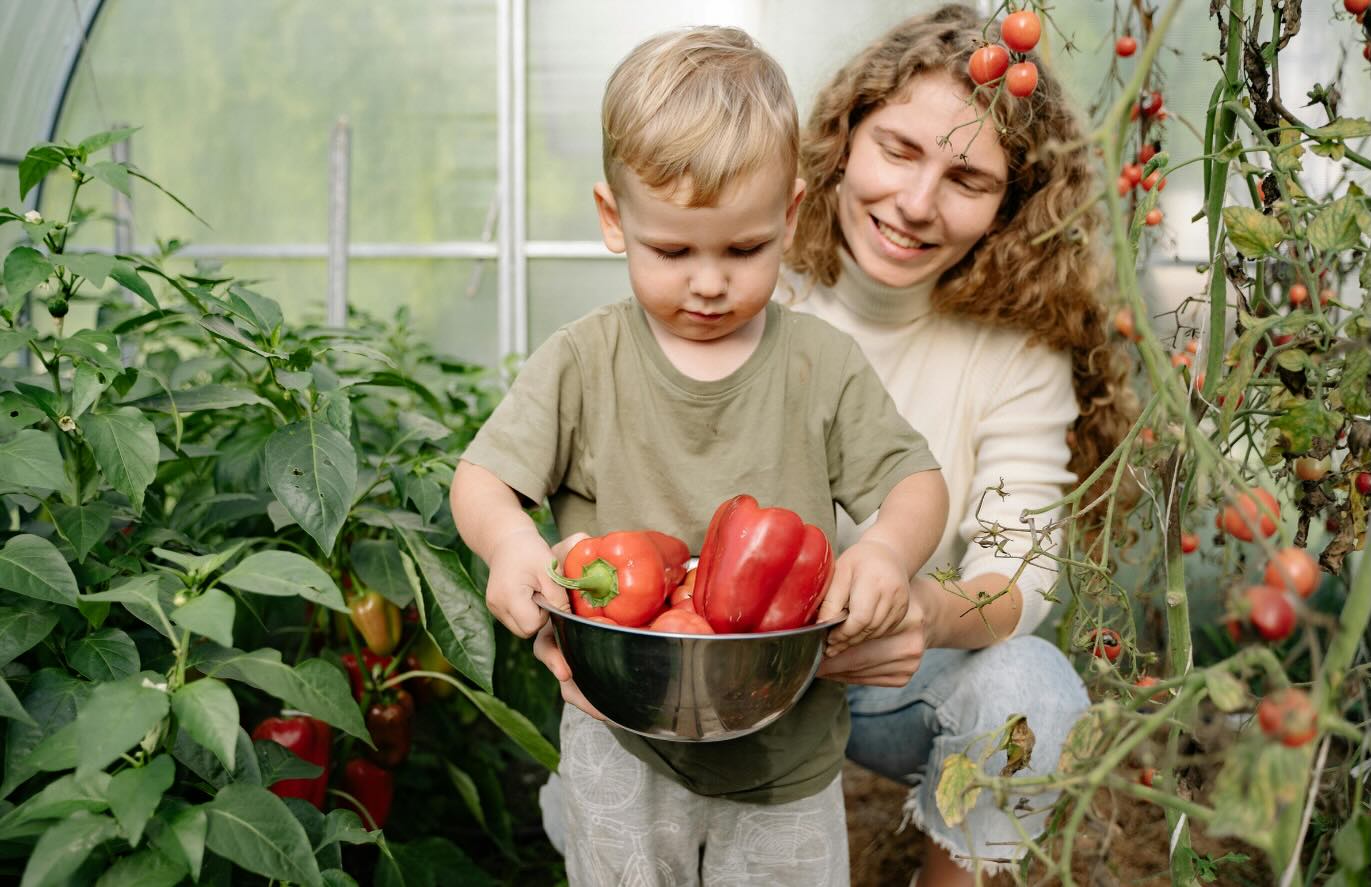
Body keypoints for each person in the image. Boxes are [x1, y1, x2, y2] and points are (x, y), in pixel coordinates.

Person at [451, 26, 950, 885]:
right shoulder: (583, 360)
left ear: (790, 218)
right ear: (614, 219)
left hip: (783, 749)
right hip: (618, 736)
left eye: (744, 249)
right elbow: (482, 478)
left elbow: (915, 482)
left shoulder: (818, 364)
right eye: (672, 251)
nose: (709, 282)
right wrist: (509, 545)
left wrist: (886, 552)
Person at [777, 4, 1139, 883]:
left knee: (1032, 688)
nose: (913, 203)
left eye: (965, 179)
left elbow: (1017, 574)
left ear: (1009, 208)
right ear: (845, 138)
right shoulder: (751, 278)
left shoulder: (1015, 351)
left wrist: (924, 614)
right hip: (733, 665)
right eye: (897, 150)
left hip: (890, 679)